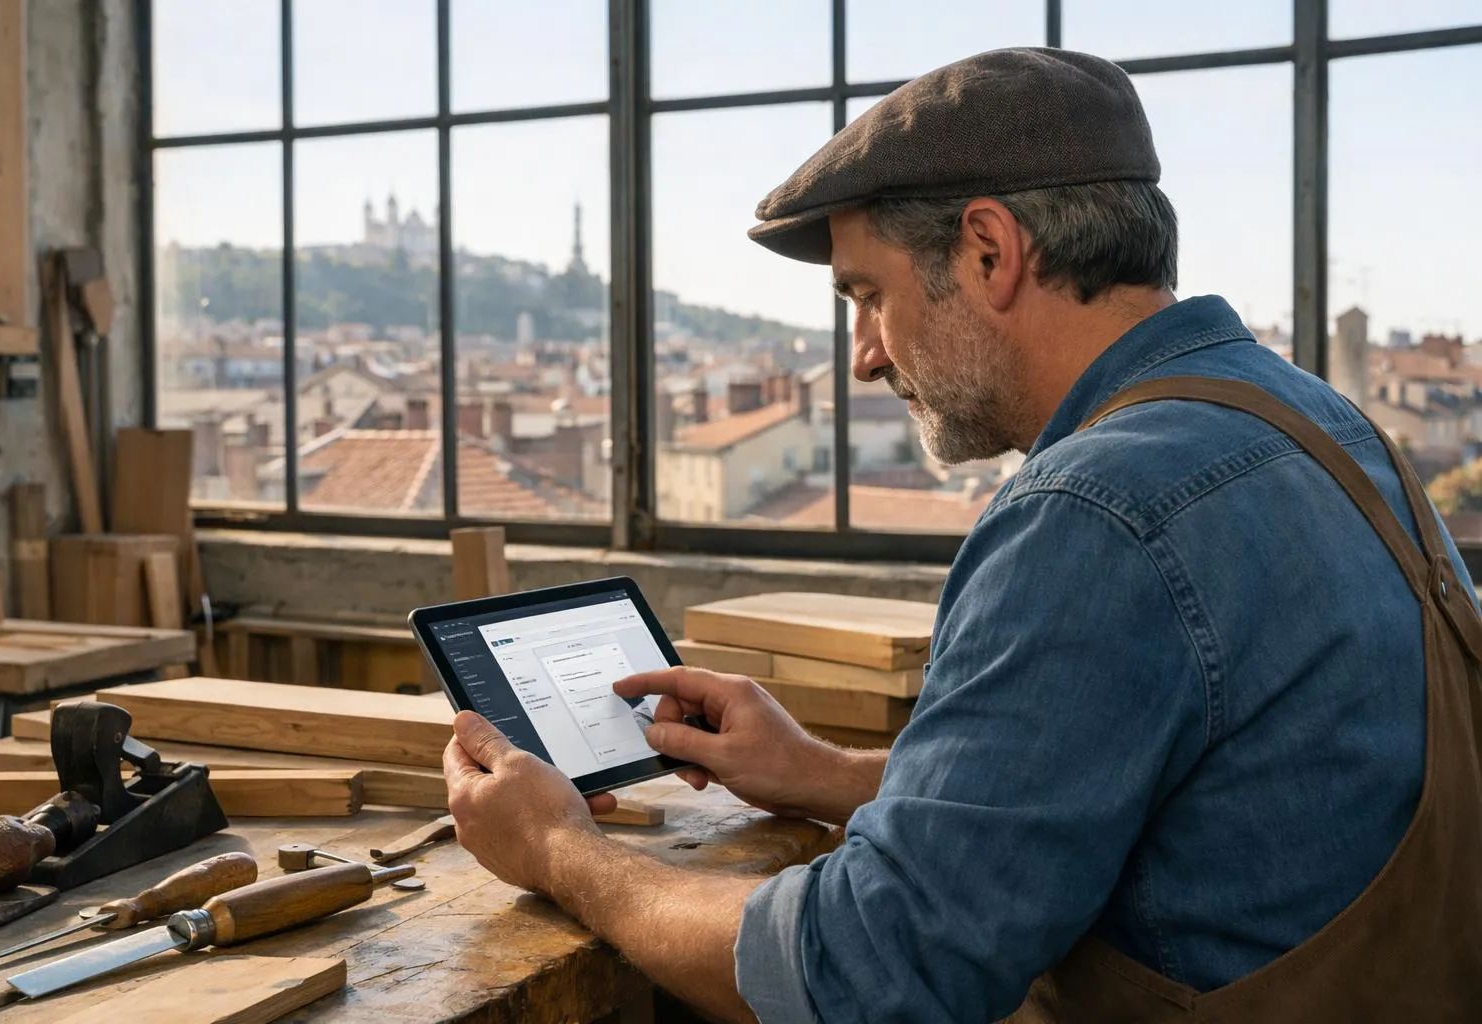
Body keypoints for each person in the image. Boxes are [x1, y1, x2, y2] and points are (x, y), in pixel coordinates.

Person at [442, 48, 1482, 1022]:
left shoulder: (1093, 512)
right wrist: (822, 772)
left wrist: (559, 849)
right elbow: (1173, 798)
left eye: (867, 295)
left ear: (989, 251)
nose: (862, 356)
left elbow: (873, 971)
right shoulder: (1329, 428)